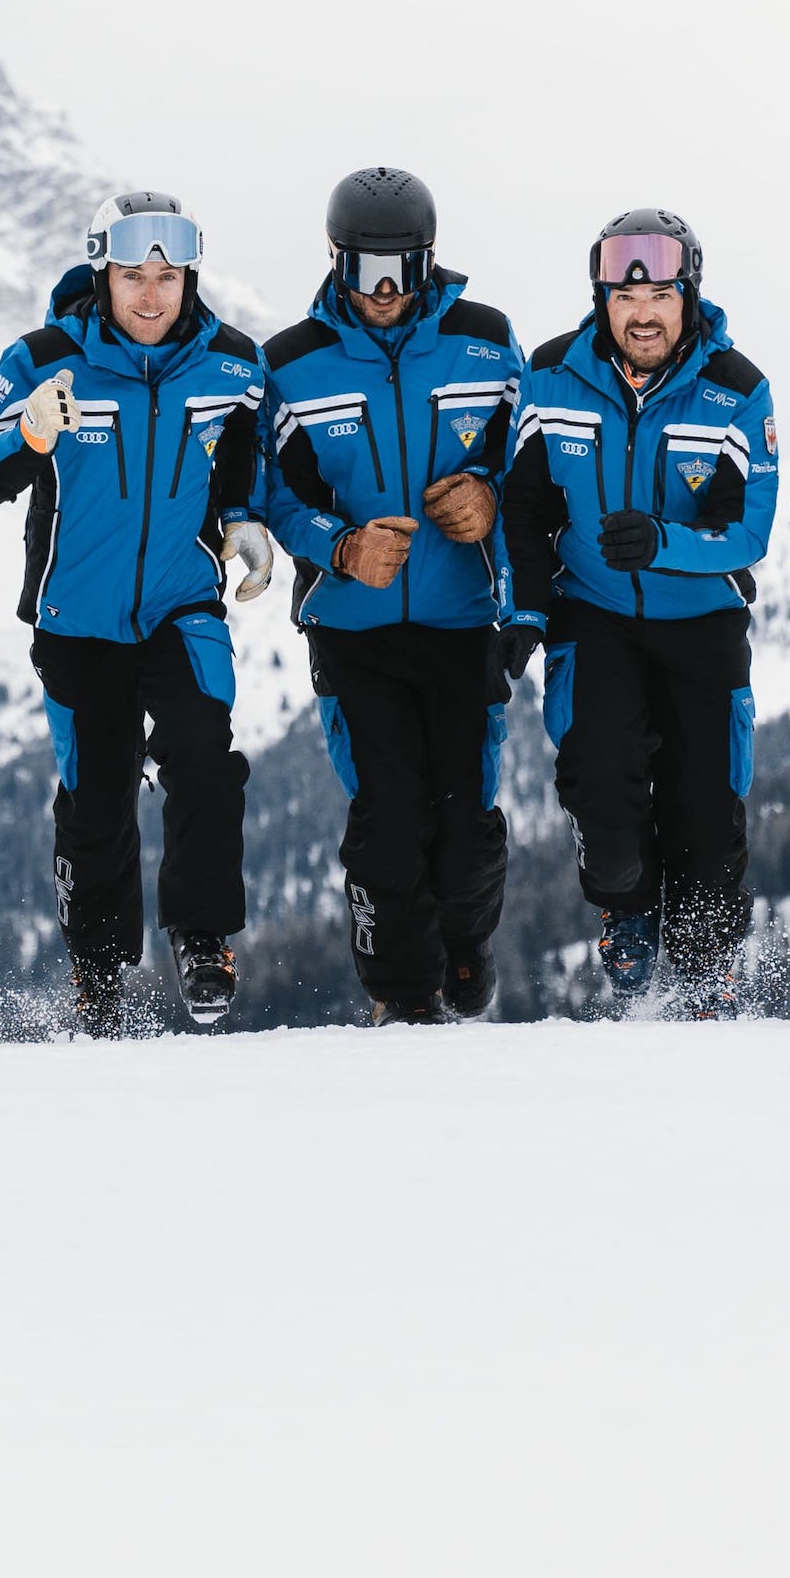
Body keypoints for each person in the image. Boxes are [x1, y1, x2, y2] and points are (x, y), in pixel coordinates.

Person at [0, 191, 276, 1036]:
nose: (149, 295)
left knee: (204, 761)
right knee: (95, 800)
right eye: (131, 275)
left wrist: (243, 518)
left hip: (183, 606)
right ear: (102, 274)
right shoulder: (42, 359)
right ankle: (98, 975)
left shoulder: (234, 365)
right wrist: (26, 434)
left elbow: (244, 454)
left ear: (190, 278)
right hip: (75, 619)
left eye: (166, 277)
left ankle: (202, 938)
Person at [262, 169, 524, 1023]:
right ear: (336, 261)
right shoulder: (293, 364)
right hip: (354, 628)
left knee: (465, 815)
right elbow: (273, 495)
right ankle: (397, 997)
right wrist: (338, 546)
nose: (383, 290)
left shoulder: (486, 343)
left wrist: (486, 495)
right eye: (366, 268)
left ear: (430, 262)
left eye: (401, 270)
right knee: (388, 819)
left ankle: (467, 949)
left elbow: (531, 465)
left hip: (460, 623)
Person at [503, 211, 780, 1014]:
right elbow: (524, 506)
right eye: (627, 299)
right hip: (595, 615)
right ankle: (625, 907)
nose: (644, 314)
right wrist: (524, 611)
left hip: (700, 621)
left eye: (661, 294)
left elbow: (747, 532)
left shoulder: (737, 387)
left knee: (706, 808)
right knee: (601, 785)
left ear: (688, 294)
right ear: (601, 300)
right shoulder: (552, 374)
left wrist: (665, 543)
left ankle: (705, 972)